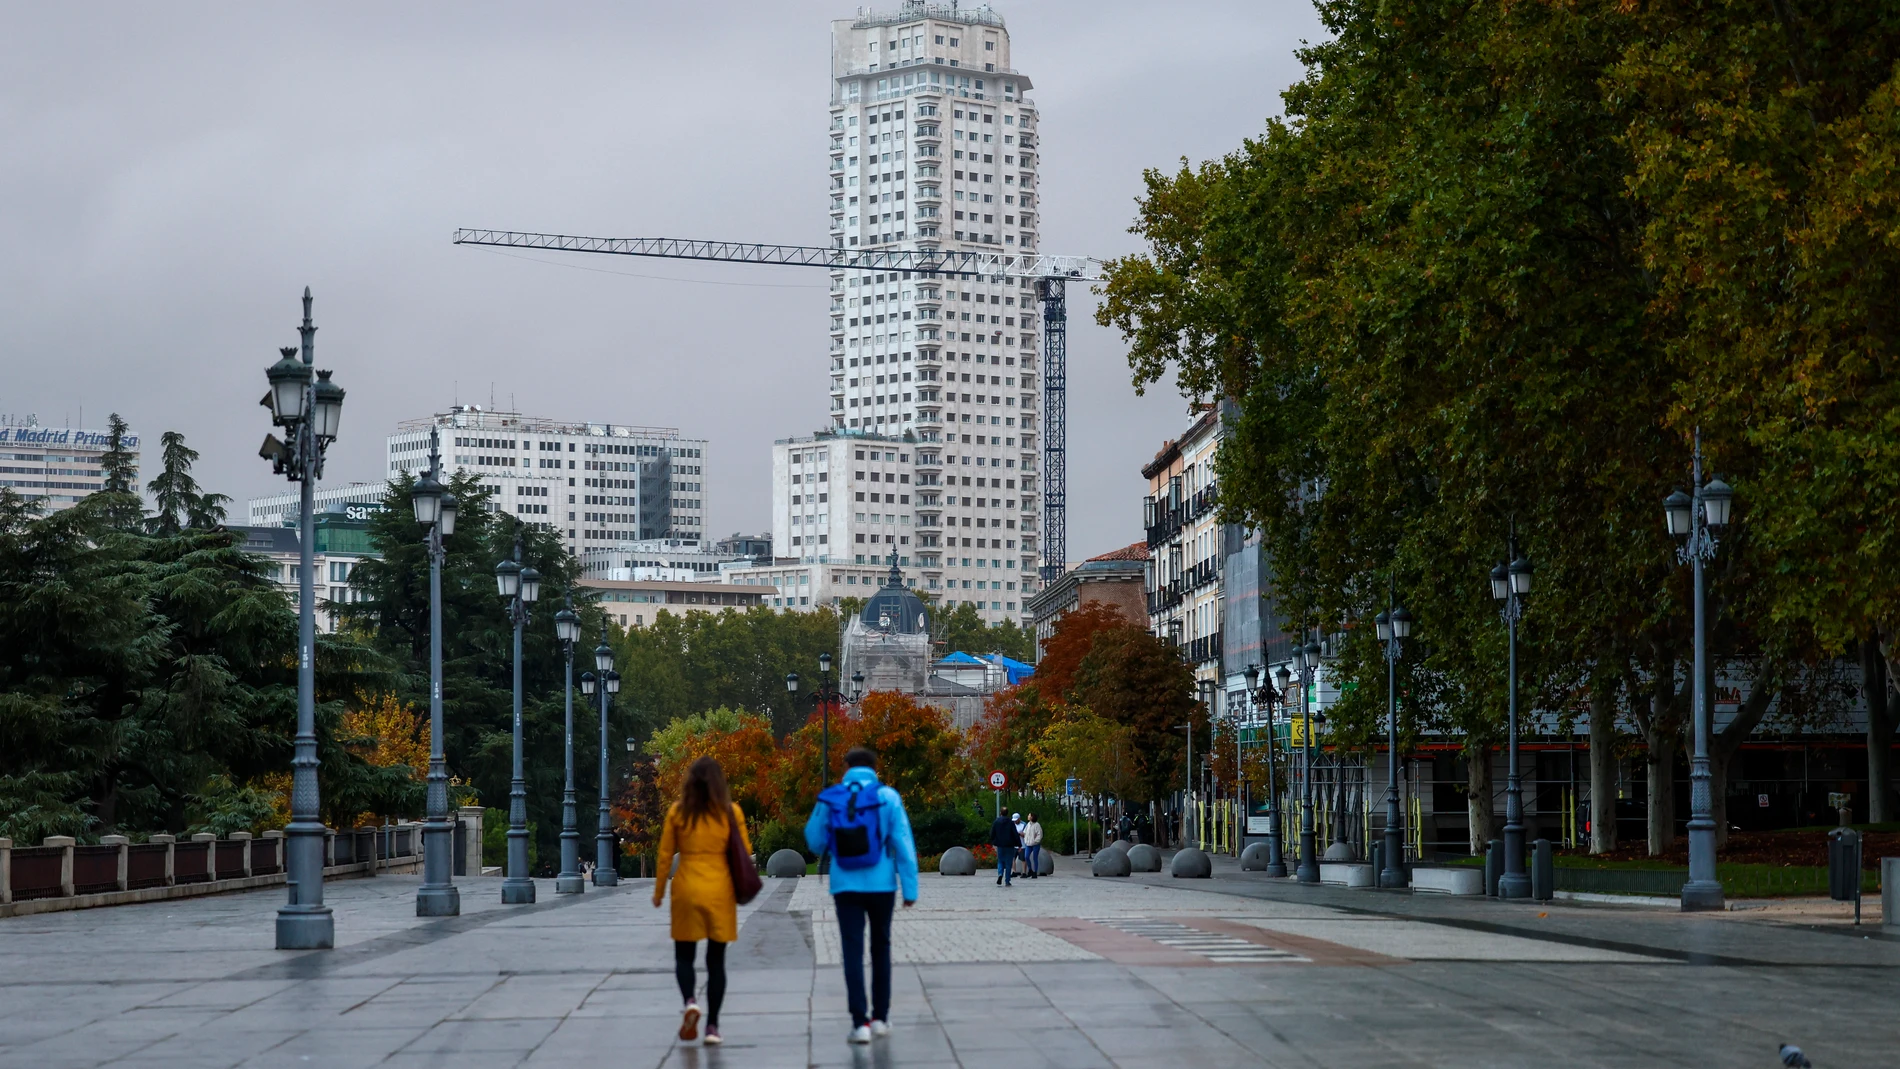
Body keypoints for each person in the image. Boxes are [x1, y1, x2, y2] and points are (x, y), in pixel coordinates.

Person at [805, 746, 919, 1045]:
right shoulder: (888, 797)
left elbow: (814, 840)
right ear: (874, 767)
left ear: (847, 767)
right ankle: (881, 1018)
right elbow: (904, 845)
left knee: (852, 951)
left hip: (845, 885)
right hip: (882, 884)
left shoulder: (832, 797)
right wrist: (910, 889)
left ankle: (860, 1023)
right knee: (881, 947)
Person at [652, 756, 751, 1048]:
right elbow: (744, 852)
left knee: (684, 956)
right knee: (716, 961)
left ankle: (690, 1001)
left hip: (687, 889)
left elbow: (664, 856)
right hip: (720, 890)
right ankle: (712, 1027)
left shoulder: (678, 813)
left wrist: (658, 892)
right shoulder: (731, 813)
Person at [989, 808, 1023, 886]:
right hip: (1010, 845)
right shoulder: (1010, 822)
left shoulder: (996, 822)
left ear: (1000, 813)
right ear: (1007, 813)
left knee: (1000, 861)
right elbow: (1015, 834)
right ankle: (1007, 880)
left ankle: (1000, 873)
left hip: (1000, 845)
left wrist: (993, 842)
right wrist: (1019, 845)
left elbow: (992, 833)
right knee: (1008, 863)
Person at [1021, 812, 1044, 879]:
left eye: (1029, 815)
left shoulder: (1037, 825)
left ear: (1032, 817)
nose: (1028, 816)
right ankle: (1030, 869)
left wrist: (1035, 841)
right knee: (1026, 856)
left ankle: (1035, 872)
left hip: (1035, 844)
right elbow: (1025, 832)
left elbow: (1040, 834)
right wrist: (1025, 840)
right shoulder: (1028, 824)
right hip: (1028, 844)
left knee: (1035, 858)